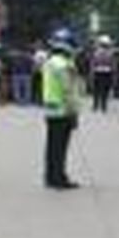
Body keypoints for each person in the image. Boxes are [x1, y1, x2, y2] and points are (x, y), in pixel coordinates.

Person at [41, 31, 83, 189]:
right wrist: (74, 112)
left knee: (51, 146)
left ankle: (50, 176)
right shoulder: (65, 64)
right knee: (60, 147)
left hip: (50, 109)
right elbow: (68, 90)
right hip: (63, 110)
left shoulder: (50, 61)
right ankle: (59, 178)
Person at [89, 35, 116, 113]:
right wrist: (114, 75)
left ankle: (95, 106)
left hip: (98, 72)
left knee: (96, 90)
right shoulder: (110, 53)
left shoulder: (96, 53)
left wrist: (91, 74)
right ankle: (103, 106)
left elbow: (93, 64)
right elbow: (113, 65)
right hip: (107, 73)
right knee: (105, 90)